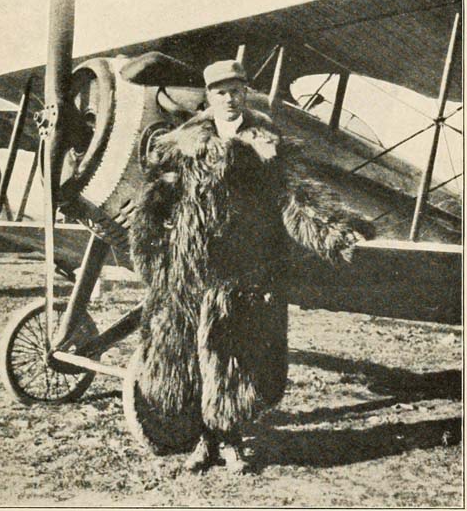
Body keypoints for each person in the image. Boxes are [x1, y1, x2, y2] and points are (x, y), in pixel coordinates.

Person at [128, 60, 374, 473]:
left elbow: (294, 197)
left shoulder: (267, 145)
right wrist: (150, 253)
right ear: (209, 96)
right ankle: (203, 442)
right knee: (187, 356)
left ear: (245, 93)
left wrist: (332, 231)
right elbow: (155, 201)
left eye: (236, 91)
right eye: (220, 92)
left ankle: (230, 443)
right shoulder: (181, 145)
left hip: (242, 270)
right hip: (189, 270)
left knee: (234, 357)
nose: (229, 98)